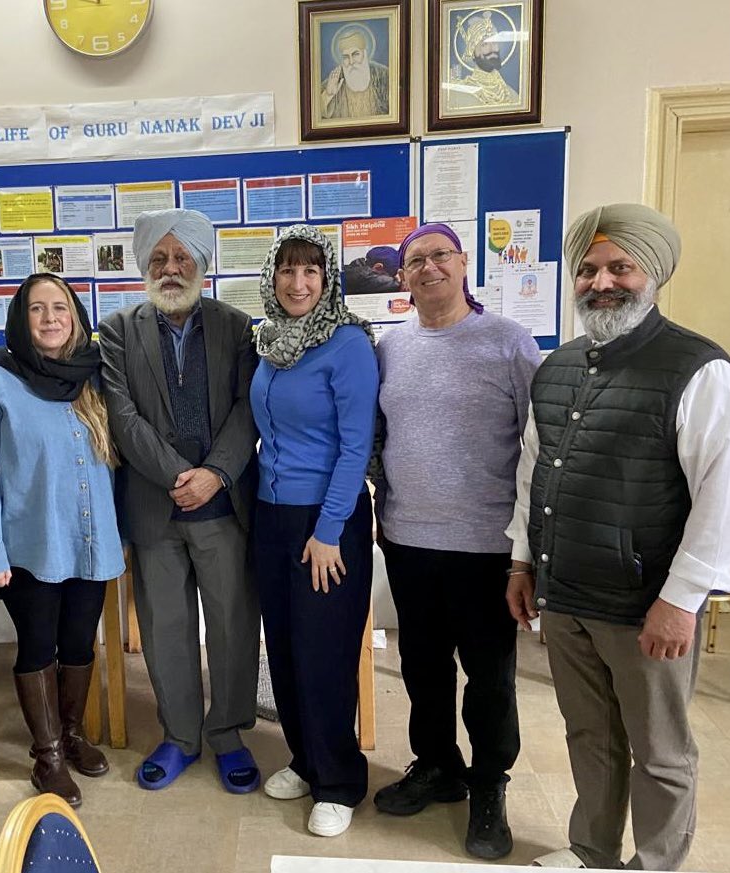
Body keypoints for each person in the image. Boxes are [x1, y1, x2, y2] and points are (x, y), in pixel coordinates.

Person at [505, 204, 730, 871]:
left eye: (618, 266)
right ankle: (590, 850)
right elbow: (532, 471)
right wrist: (520, 561)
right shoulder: (557, 365)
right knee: (588, 734)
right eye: (586, 269)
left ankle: (654, 862)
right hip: (566, 592)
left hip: (645, 606)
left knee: (658, 750)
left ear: (650, 274)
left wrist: (681, 598)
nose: (600, 281)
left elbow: (721, 495)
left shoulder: (698, 368)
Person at [371, 223, 540, 859]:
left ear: (464, 264)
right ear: (403, 278)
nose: (428, 268)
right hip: (409, 539)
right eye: (415, 261)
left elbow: (539, 445)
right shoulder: (391, 348)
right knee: (423, 665)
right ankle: (437, 763)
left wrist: (526, 548)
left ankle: (489, 782)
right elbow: (380, 439)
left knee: (489, 676)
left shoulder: (508, 343)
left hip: (486, 546)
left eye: (440, 256)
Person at [98, 208, 261, 794]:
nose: (171, 268)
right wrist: (179, 476)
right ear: (145, 266)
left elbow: (248, 409)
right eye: (160, 258)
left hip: (224, 505)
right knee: (166, 628)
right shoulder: (117, 330)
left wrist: (215, 473)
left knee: (233, 625)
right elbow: (122, 415)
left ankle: (228, 734)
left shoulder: (239, 327)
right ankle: (181, 736)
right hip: (155, 505)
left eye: (182, 257)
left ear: (201, 263)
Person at [0, 273, 124, 808]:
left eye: (60, 307)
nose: (51, 318)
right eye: (38, 309)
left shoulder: (95, 375)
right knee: (39, 644)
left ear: (76, 315)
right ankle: (48, 755)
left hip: (91, 541)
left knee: (80, 643)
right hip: (30, 545)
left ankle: (73, 732)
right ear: (21, 318)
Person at [250, 224, 378, 837]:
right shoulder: (269, 341)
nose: (298, 283)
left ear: (327, 280)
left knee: (324, 654)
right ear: (271, 277)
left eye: (311, 272)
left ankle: (340, 781)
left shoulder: (348, 343)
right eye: (287, 271)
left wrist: (329, 530)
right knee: (286, 647)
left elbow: (357, 446)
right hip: (272, 517)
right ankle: (304, 760)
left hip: (329, 520)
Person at [448, 11, 518, 109]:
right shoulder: (458, 94)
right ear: (472, 51)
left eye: (494, 42)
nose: (492, 49)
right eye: (485, 44)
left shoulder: (511, 94)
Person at [320, 25, 389, 120]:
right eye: (346, 57)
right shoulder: (334, 80)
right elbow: (315, 115)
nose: (351, 62)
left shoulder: (384, 75)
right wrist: (328, 95)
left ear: (364, 54)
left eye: (355, 54)